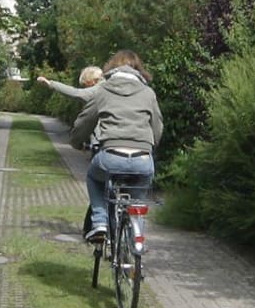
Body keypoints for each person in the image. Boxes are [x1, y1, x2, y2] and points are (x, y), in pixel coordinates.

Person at [69, 50, 163, 242]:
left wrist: (77, 142)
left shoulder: (103, 91)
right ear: (139, 70)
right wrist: (150, 147)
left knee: (94, 178)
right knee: (136, 202)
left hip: (111, 156)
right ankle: (135, 238)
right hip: (143, 159)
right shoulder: (148, 93)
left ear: (111, 68)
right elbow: (157, 127)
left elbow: (85, 121)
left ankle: (100, 222)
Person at [36, 65, 103, 101]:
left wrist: (50, 83)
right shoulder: (107, 85)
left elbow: (76, 93)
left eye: (85, 85)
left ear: (92, 81)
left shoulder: (100, 89)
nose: (86, 88)